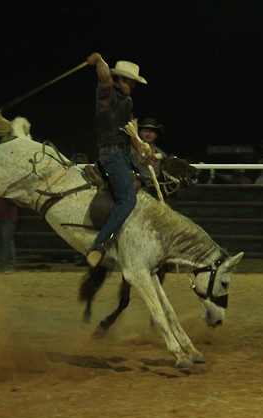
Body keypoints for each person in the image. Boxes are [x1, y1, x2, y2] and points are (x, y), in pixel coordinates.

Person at [85, 52, 149, 267]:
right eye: (129, 81)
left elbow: (131, 134)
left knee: (145, 190)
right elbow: (104, 77)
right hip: (111, 153)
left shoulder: (126, 103)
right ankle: (99, 245)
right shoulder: (108, 94)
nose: (130, 86)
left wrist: (141, 147)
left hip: (121, 153)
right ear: (122, 81)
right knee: (128, 199)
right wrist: (101, 62)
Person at [131, 117, 169, 195]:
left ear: (155, 135)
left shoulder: (162, 155)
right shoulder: (132, 152)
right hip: (137, 189)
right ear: (140, 134)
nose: (148, 134)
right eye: (145, 131)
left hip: (156, 189)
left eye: (151, 132)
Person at [0, 197, 18, 273]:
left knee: (6, 243)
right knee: (0, 243)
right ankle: (3, 265)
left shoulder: (7, 193)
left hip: (5, 220)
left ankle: (7, 265)